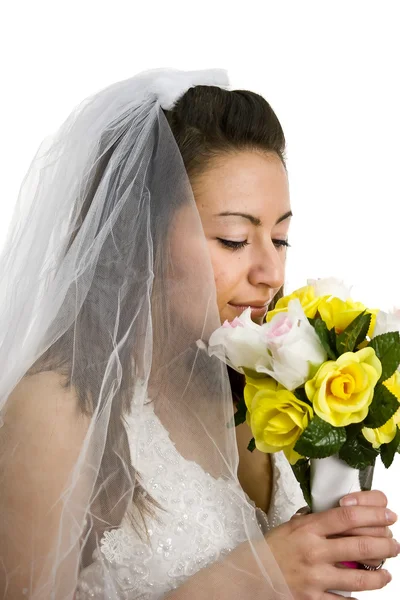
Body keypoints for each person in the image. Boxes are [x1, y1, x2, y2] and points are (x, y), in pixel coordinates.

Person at [0, 69, 397, 600]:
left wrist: (318, 546)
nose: (271, 273)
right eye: (234, 239)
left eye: (280, 238)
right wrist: (252, 578)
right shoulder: (56, 409)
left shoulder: (251, 379)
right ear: (139, 235)